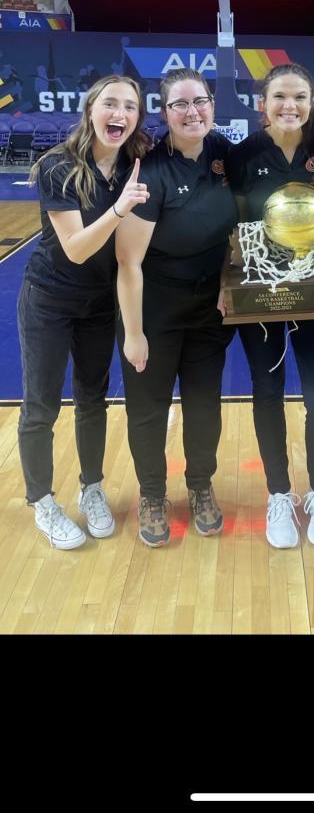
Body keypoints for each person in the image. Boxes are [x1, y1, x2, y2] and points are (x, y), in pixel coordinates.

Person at [225, 63, 314, 550]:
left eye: (300, 96)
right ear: (263, 102)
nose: (290, 106)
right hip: (261, 286)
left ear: (312, 101)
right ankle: (278, 494)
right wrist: (229, 282)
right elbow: (237, 229)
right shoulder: (242, 155)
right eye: (280, 96)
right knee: (267, 390)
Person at [17, 75, 150, 549]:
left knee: (92, 398)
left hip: (99, 303)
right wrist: (119, 209)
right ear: (91, 110)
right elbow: (75, 249)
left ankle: (91, 487)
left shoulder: (135, 163)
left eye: (129, 106)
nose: (119, 113)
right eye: (110, 103)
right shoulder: (58, 166)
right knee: (41, 405)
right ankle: (41, 501)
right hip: (49, 299)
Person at [116, 68, 238, 547]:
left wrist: (227, 280)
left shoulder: (225, 154)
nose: (192, 112)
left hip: (209, 307)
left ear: (212, 104)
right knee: (148, 408)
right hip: (155, 308)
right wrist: (134, 333)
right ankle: (152, 493)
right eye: (180, 105)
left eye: (200, 101)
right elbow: (129, 261)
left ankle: (201, 485)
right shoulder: (151, 170)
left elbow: (240, 230)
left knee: (205, 404)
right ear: (164, 113)